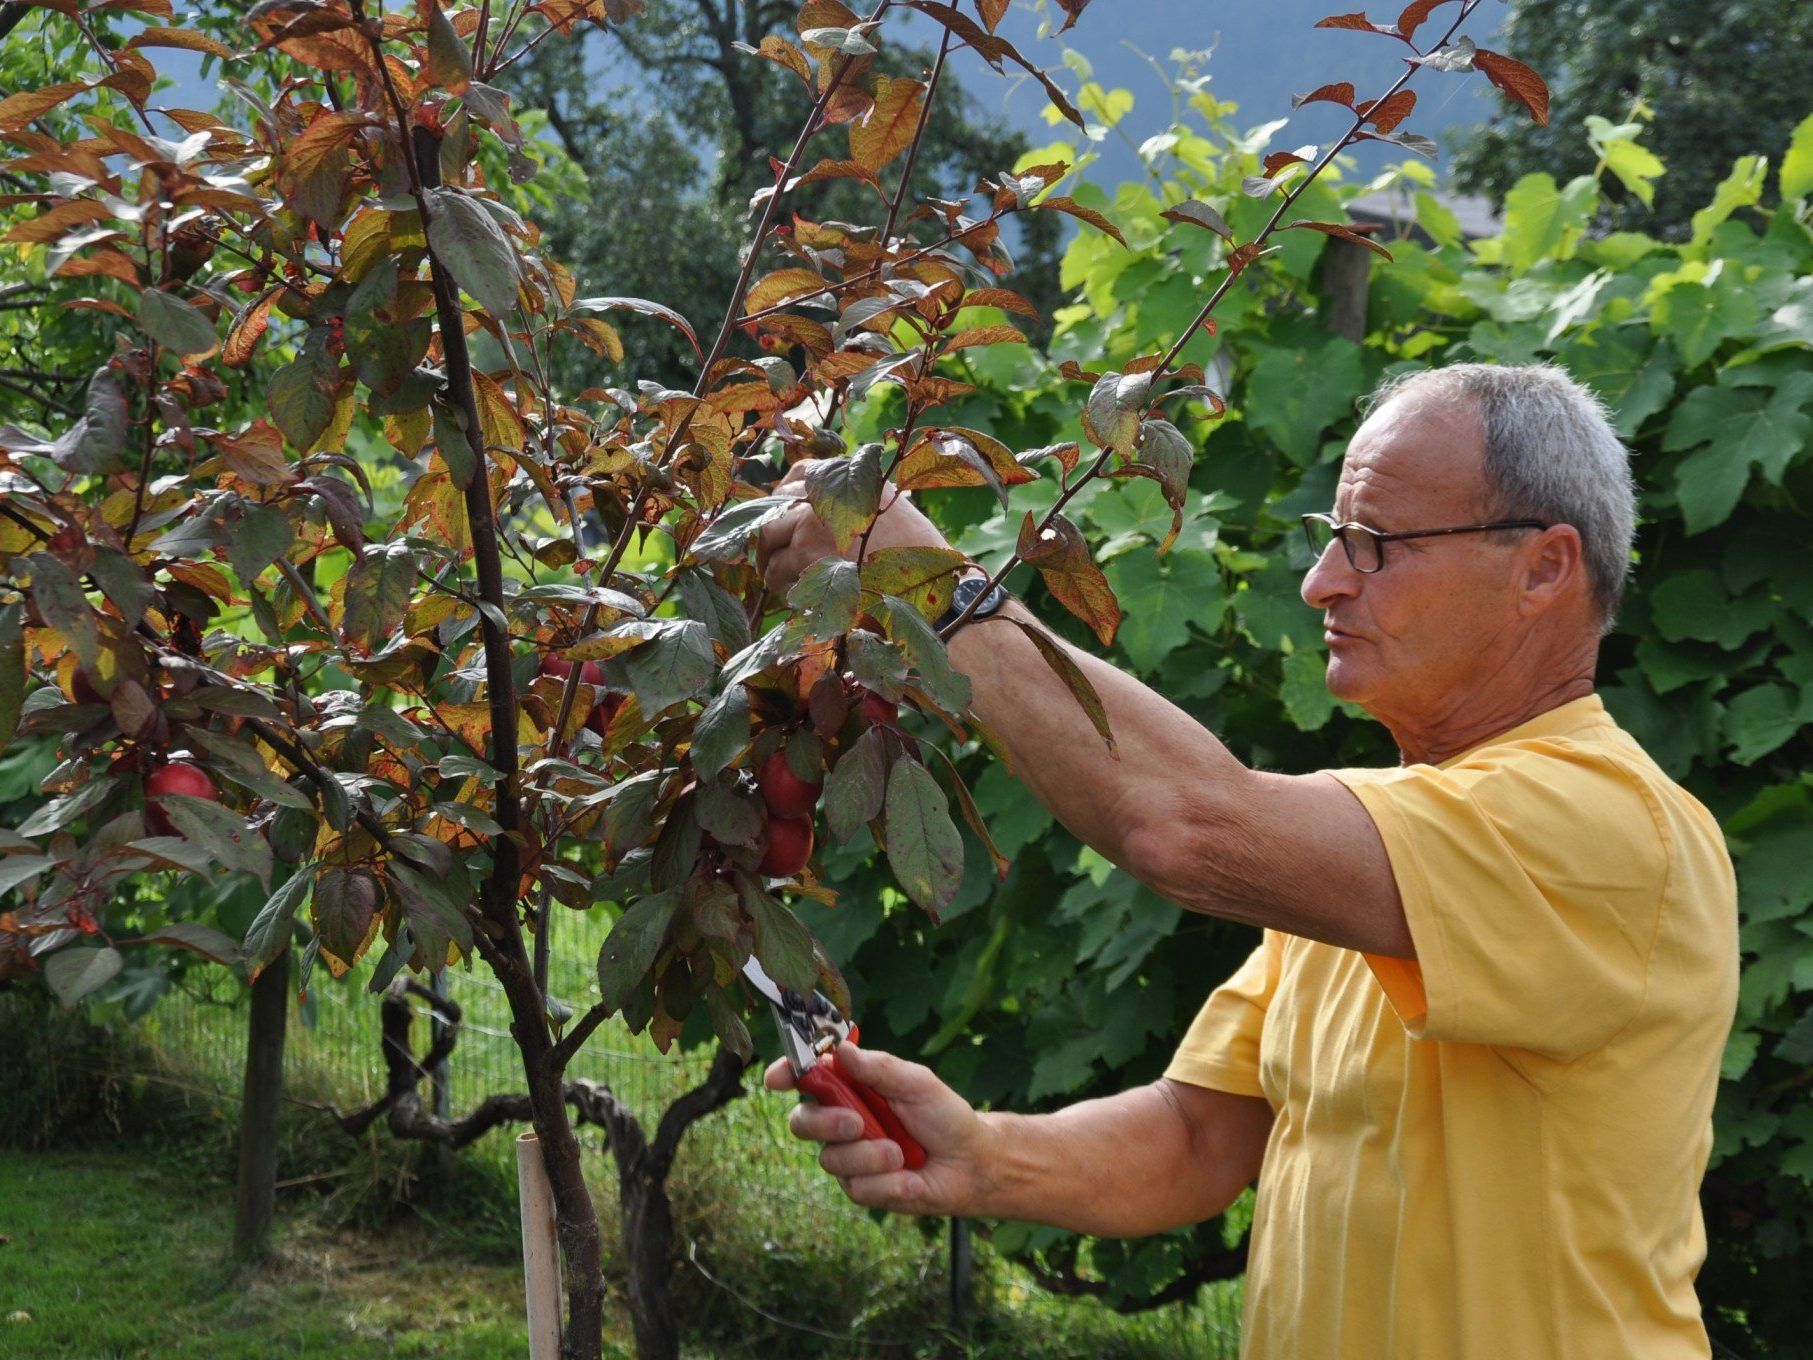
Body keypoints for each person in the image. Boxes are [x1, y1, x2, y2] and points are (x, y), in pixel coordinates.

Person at [753, 362, 1739, 1359]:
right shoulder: (1385, 846)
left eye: (1376, 545)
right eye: (1331, 540)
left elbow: (1182, 825)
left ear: (1541, 568)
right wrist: (983, 1153)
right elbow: (1198, 1138)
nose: (1322, 581)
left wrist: (935, 591)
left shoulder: (1606, 826)